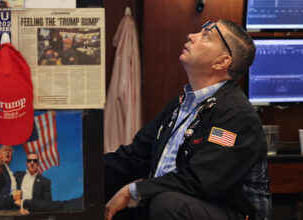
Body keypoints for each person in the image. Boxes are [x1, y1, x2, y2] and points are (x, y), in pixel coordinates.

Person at [104, 20, 271, 220]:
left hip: (234, 212)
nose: (192, 36)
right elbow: (133, 158)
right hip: (178, 204)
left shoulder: (237, 115)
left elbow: (200, 180)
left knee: (167, 204)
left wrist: (133, 190)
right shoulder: (181, 104)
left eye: (205, 36)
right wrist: (81, 175)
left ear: (221, 62)